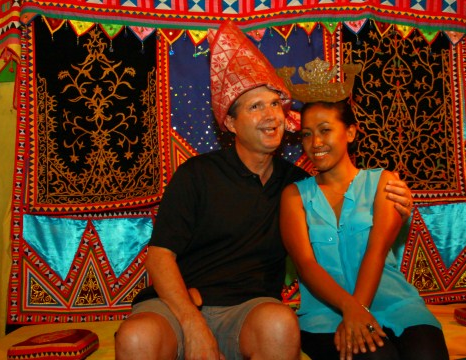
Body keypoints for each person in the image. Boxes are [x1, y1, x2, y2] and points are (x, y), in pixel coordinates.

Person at [115, 20, 414, 360]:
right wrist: (192, 324)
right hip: (180, 304)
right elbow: (160, 257)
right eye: (255, 106)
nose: (271, 115)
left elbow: (344, 208)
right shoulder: (197, 174)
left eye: (275, 104)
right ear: (230, 123)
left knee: (280, 323)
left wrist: (393, 193)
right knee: (137, 337)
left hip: (249, 311)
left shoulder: (296, 186)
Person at [280, 100, 449, 360]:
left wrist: (357, 308)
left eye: (325, 130)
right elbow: (305, 264)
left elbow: (377, 250)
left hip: (396, 306)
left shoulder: (384, 183)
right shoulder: (294, 197)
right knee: (377, 358)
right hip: (326, 317)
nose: (315, 143)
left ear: (350, 132)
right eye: (306, 134)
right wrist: (351, 309)